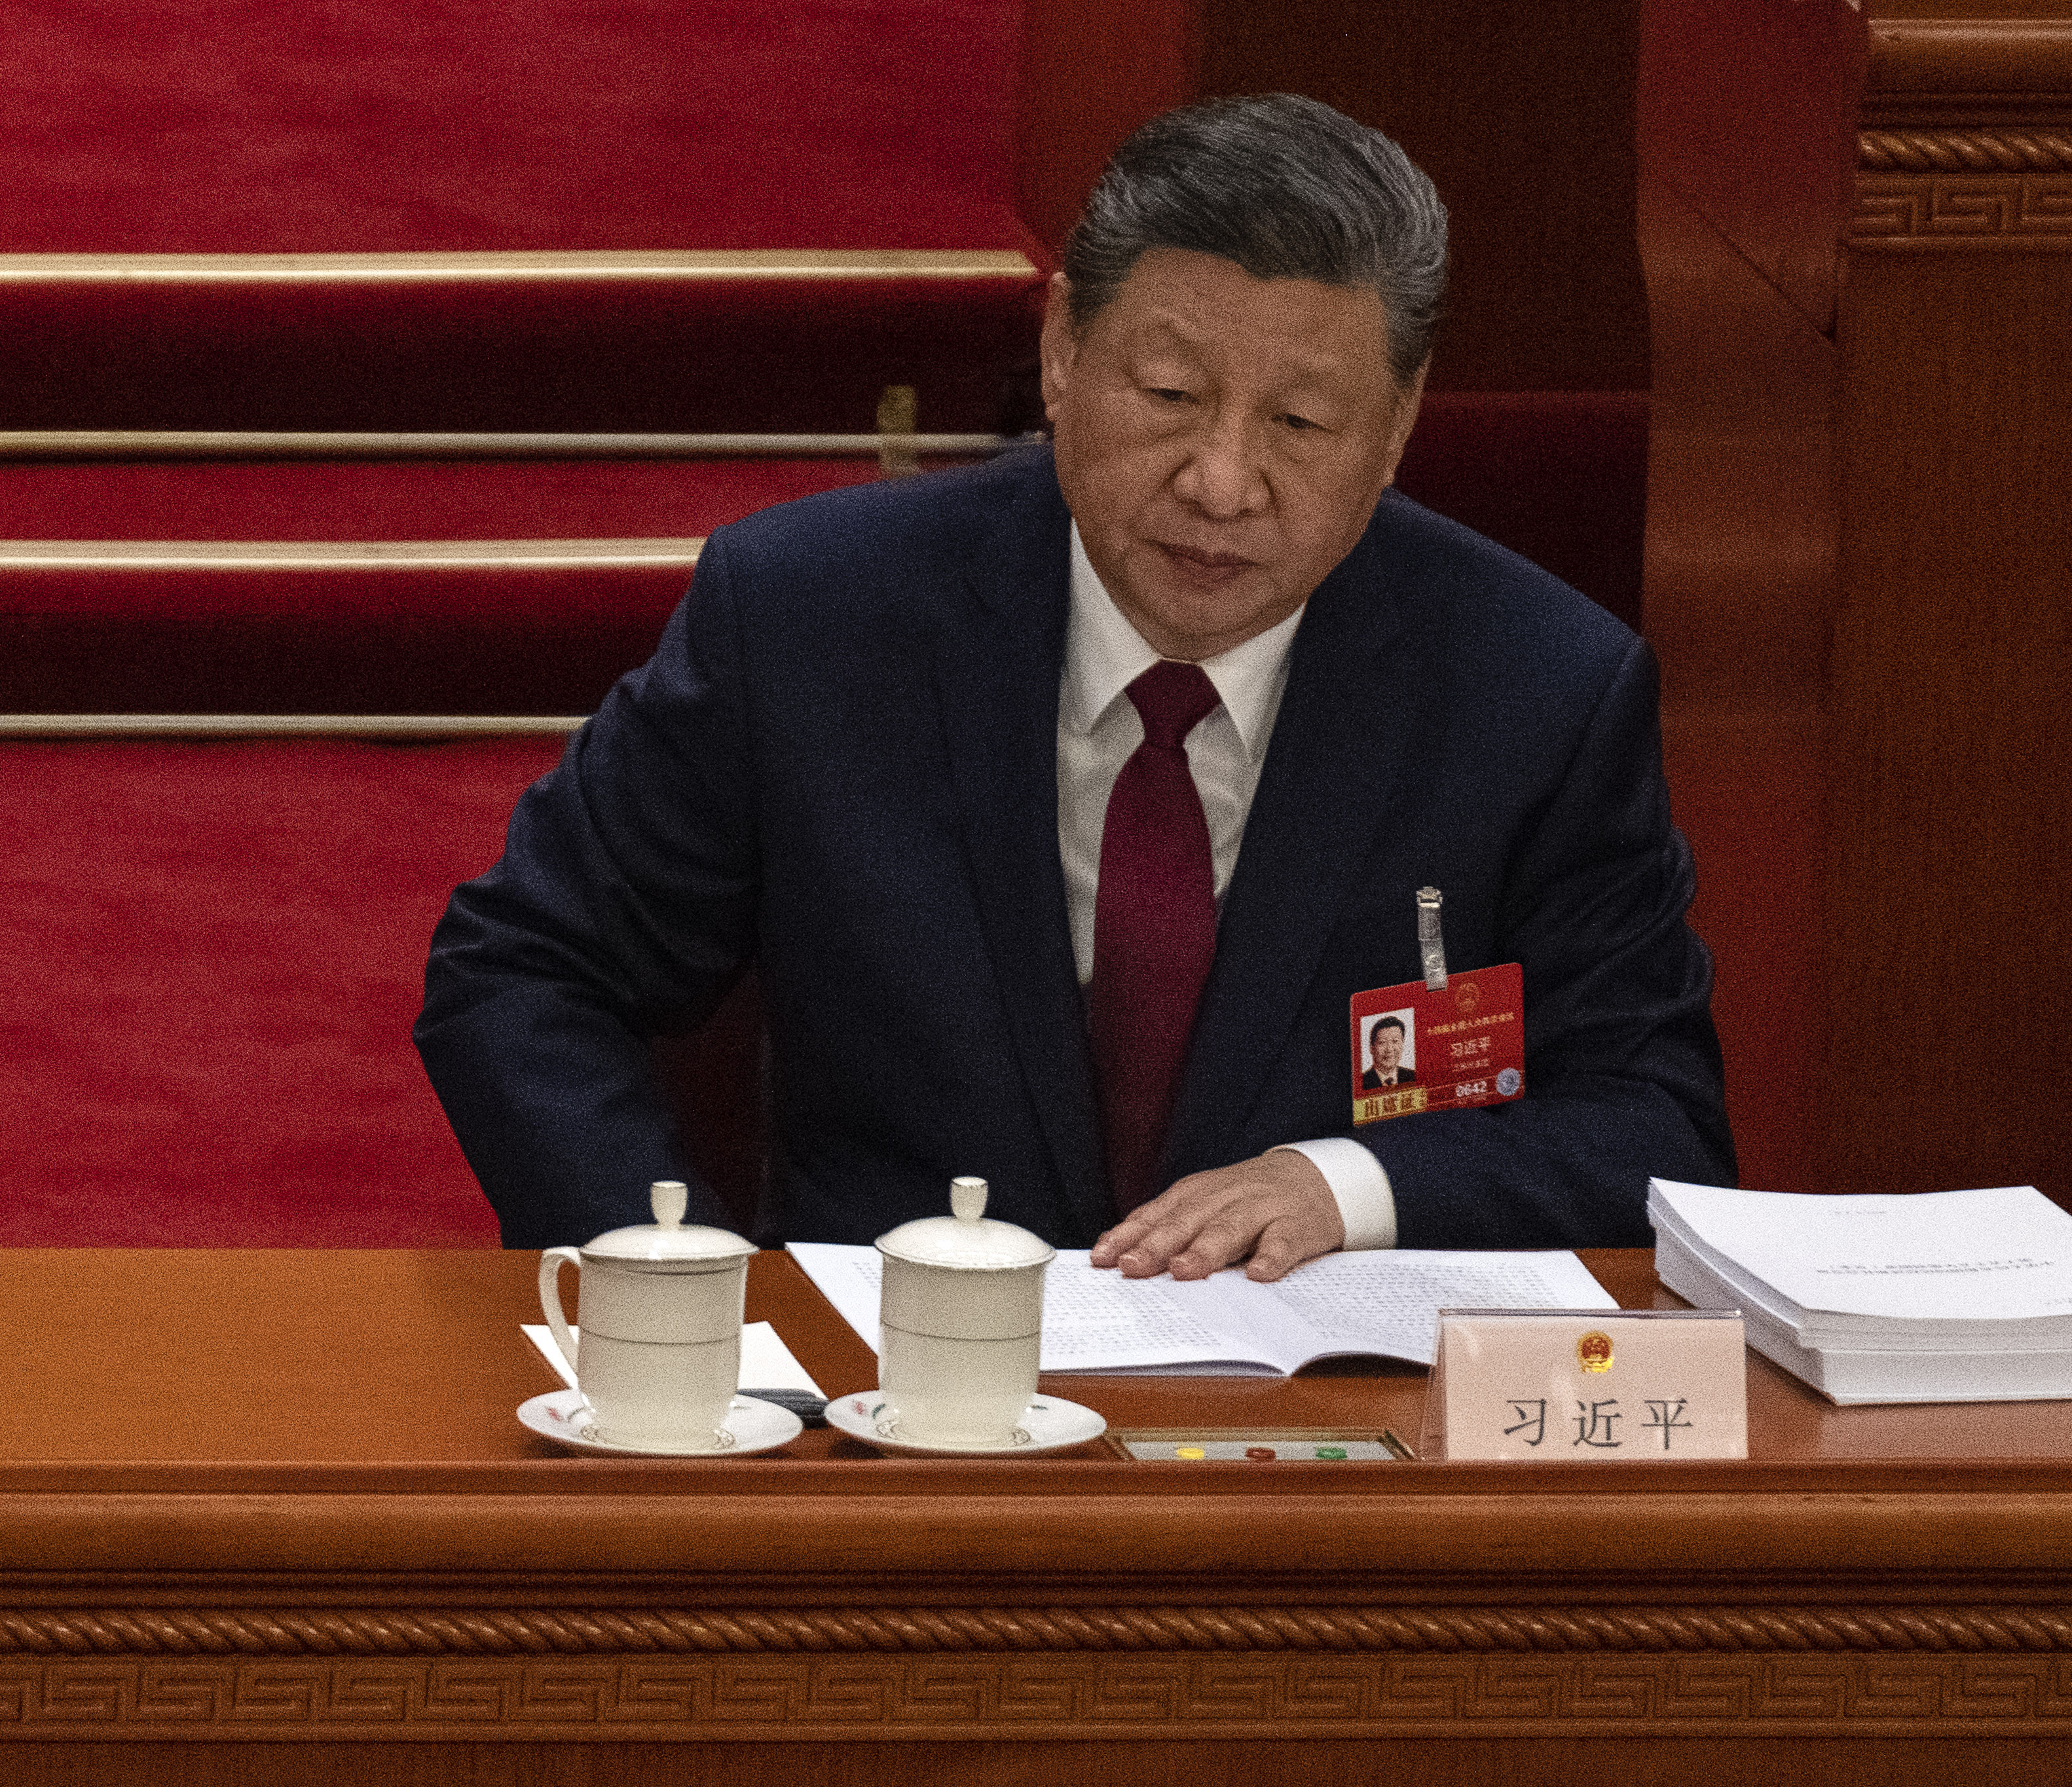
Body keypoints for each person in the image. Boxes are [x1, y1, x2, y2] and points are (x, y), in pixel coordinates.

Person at [416, 93, 1733, 1281]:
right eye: (1168, 392)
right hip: (897, 1431)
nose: (1219, 480)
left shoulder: (1536, 688)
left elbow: (1653, 1126)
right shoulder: (812, 618)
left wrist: (1344, 1186)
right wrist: (674, 1283)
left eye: (1297, 422)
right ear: (1059, 353)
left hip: (1320, 1449)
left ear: (1395, 426)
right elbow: (524, 968)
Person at [1361, 1016, 1415, 1092]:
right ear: (1372, 1048)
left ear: (1402, 1044)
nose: (1389, 1049)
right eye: (1382, 1042)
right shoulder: (1362, 1082)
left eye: (1395, 1041)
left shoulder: (1413, 1076)